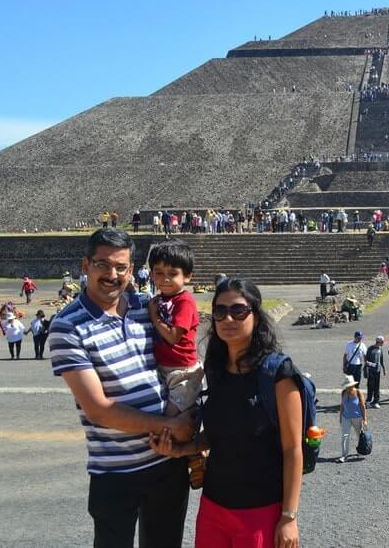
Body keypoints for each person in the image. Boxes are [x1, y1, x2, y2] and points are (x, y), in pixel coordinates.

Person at [49, 228, 194, 547]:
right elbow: (99, 409)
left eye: (121, 267)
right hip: (115, 471)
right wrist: (171, 424)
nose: (111, 275)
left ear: (132, 270)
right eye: (103, 265)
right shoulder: (67, 327)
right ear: (85, 265)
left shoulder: (147, 308)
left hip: (167, 463)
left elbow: (184, 355)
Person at [149, 277, 303, 548]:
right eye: (220, 311)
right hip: (213, 508)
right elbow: (221, 433)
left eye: (238, 310)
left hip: (261, 510)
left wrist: (289, 517)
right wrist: (181, 450)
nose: (228, 318)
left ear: (255, 315)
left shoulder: (278, 373)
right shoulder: (215, 369)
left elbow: (293, 449)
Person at [147, 240, 204, 417]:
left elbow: (173, 337)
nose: (165, 279)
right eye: (159, 273)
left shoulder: (184, 301)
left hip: (183, 372)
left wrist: (154, 316)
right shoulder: (160, 299)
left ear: (187, 276)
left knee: (171, 418)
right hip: (163, 367)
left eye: (172, 274)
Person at [338, 376, 368, 463]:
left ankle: (361, 451)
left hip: (357, 418)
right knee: (345, 436)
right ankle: (344, 455)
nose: (347, 388)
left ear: (352, 385)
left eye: (349, 386)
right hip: (345, 417)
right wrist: (340, 417)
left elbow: (363, 406)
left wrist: (364, 419)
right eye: (346, 386)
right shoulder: (343, 393)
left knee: (359, 435)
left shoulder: (358, 393)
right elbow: (342, 405)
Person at [364, 336, 385, 408]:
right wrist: (373, 365)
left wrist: (384, 369)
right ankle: (368, 401)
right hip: (371, 371)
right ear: (378, 342)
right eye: (382, 342)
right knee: (370, 386)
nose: (383, 343)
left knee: (377, 387)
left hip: (378, 371)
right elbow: (366, 361)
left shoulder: (380, 349)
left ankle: (376, 401)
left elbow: (381, 360)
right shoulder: (370, 349)